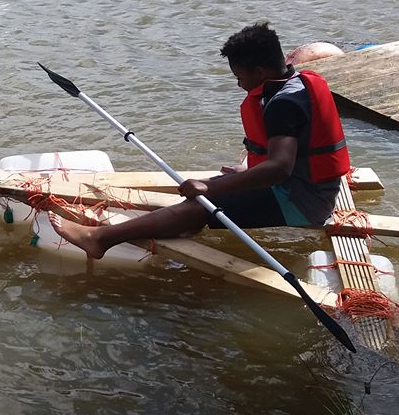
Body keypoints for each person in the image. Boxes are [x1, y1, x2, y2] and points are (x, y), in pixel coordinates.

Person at [54, 20, 350, 260]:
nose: (238, 83)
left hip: (302, 202)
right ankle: (180, 224)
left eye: (239, 75)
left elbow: (279, 169)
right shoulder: (294, 83)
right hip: (308, 190)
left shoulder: (283, 103)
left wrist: (210, 186)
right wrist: (245, 174)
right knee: (205, 198)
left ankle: (99, 239)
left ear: (259, 72)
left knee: (201, 202)